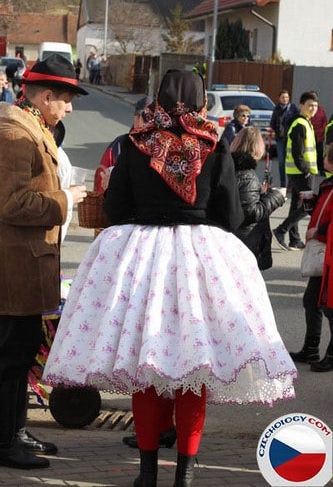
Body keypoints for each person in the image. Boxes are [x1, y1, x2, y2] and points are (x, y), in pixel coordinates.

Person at [43, 69, 297, 487]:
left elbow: (116, 207)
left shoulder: (134, 143)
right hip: (199, 263)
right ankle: (186, 474)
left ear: (158, 99)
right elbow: (232, 218)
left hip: (141, 261)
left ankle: (146, 473)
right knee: (192, 370)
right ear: (199, 103)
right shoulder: (215, 149)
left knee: (148, 368)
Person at [0, 54, 88, 470]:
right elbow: (11, 203)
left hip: (27, 269)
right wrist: (64, 199)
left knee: (20, 354)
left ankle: (14, 431)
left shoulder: (34, 127)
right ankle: (4, 442)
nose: (70, 108)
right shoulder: (14, 132)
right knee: (9, 358)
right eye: (67, 99)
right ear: (48, 95)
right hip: (11, 271)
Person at [290, 144, 333, 370]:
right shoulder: (327, 185)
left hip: (329, 251)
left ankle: (325, 353)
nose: (322, 160)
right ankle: (311, 348)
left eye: (325, 157)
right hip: (323, 251)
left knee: (329, 307)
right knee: (312, 300)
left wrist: (320, 231)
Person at [230, 126, 285, 271]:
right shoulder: (247, 175)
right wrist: (276, 197)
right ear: (257, 148)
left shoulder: (230, 169)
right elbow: (251, 213)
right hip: (246, 242)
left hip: (234, 240)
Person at [273, 91, 319, 251]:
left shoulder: (306, 122)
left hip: (301, 171)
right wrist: (305, 169)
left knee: (297, 205)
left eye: (315, 105)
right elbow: (297, 152)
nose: (313, 108)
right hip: (301, 172)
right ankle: (281, 230)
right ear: (301, 106)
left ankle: (294, 239)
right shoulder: (299, 123)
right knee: (310, 205)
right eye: (309, 105)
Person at [269, 89, 299, 188]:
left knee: (290, 161)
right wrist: (270, 129)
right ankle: (283, 183)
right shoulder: (276, 109)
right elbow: (273, 123)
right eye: (283, 97)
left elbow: (298, 120)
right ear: (279, 98)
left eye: (287, 97)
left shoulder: (293, 108)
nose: (285, 99)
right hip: (280, 139)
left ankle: (291, 183)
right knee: (281, 162)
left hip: (291, 139)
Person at [311, 101, 327, 175]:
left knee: (319, 153)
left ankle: (321, 169)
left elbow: (324, 122)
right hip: (310, 135)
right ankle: (312, 168)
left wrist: (322, 131)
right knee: (310, 152)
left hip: (319, 136)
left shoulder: (321, 111)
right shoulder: (309, 110)